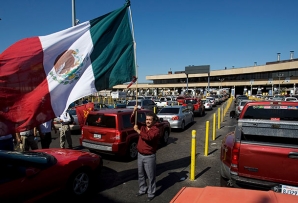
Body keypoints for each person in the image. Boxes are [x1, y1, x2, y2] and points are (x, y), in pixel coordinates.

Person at [131, 106, 160, 202]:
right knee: (140, 174)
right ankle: (142, 189)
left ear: (154, 121)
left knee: (151, 176)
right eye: (147, 119)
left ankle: (151, 193)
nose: (147, 121)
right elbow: (132, 121)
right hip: (140, 155)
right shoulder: (143, 126)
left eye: (149, 120)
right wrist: (134, 112)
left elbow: (148, 137)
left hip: (149, 156)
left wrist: (138, 131)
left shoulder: (156, 130)